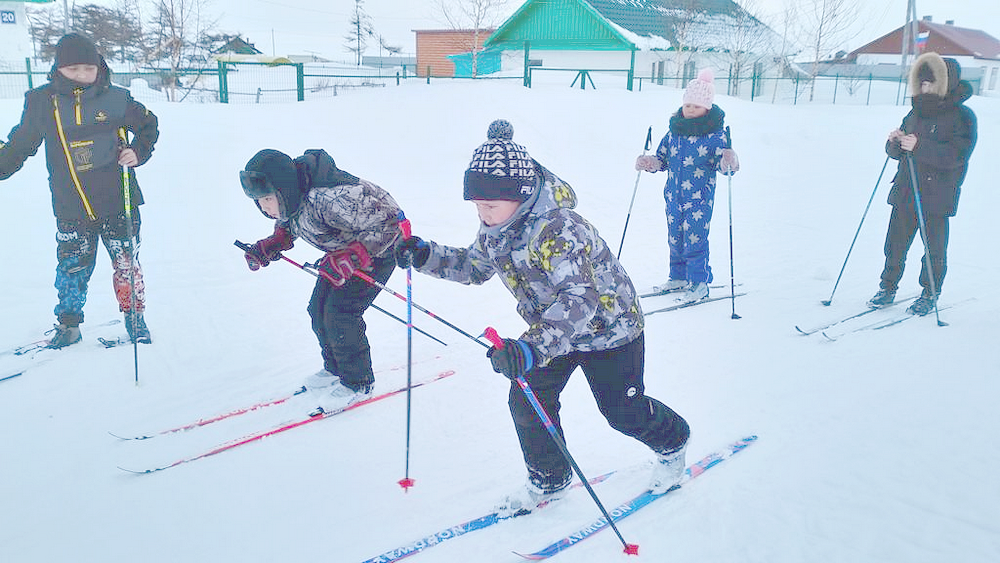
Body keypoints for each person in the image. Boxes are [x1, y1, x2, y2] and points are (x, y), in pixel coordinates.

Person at [394, 120, 690, 516]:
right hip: (554, 331)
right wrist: (426, 254)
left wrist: (531, 348)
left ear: (520, 195)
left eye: (489, 206)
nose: (482, 215)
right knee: (528, 398)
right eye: (477, 206)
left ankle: (673, 443)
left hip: (609, 330)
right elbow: (473, 266)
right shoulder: (498, 226)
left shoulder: (557, 228)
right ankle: (550, 478)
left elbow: (580, 299)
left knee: (622, 412)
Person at [0, 32, 159, 348]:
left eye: (89, 69)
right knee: (72, 269)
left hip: (118, 201)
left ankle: (135, 320)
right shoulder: (43, 103)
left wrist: (138, 151)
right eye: (73, 70)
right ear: (58, 69)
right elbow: (21, 144)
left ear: (99, 67)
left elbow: (148, 125)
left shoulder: (117, 99)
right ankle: (69, 325)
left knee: (127, 265)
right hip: (71, 206)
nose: (83, 76)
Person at [240, 148, 404, 413]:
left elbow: (391, 224)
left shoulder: (331, 198)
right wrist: (274, 243)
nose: (264, 207)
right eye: (259, 202)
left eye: (267, 199)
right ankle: (335, 368)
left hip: (379, 251)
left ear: (283, 189)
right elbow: (291, 222)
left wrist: (355, 255)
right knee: (317, 309)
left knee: (340, 313)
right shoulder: (292, 198)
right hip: (342, 255)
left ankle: (358, 382)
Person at [867, 52, 977, 315]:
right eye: (922, 83)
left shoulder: (963, 116)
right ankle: (887, 287)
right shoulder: (916, 111)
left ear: (945, 83)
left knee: (934, 249)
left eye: (930, 83)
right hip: (906, 189)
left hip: (937, 195)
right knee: (894, 244)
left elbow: (956, 156)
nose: (925, 88)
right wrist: (895, 142)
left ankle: (930, 292)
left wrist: (919, 146)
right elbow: (898, 152)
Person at [635, 68, 739, 303]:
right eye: (688, 104)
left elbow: (724, 167)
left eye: (696, 105)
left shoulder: (714, 136)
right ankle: (678, 277)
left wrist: (729, 160)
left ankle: (699, 282)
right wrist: (649, 162)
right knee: (675, 238)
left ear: (707, 108)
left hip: (699, 199)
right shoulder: (674, 133)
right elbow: (662, 160)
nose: (690, 109)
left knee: (695, 239)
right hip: (673, 197)